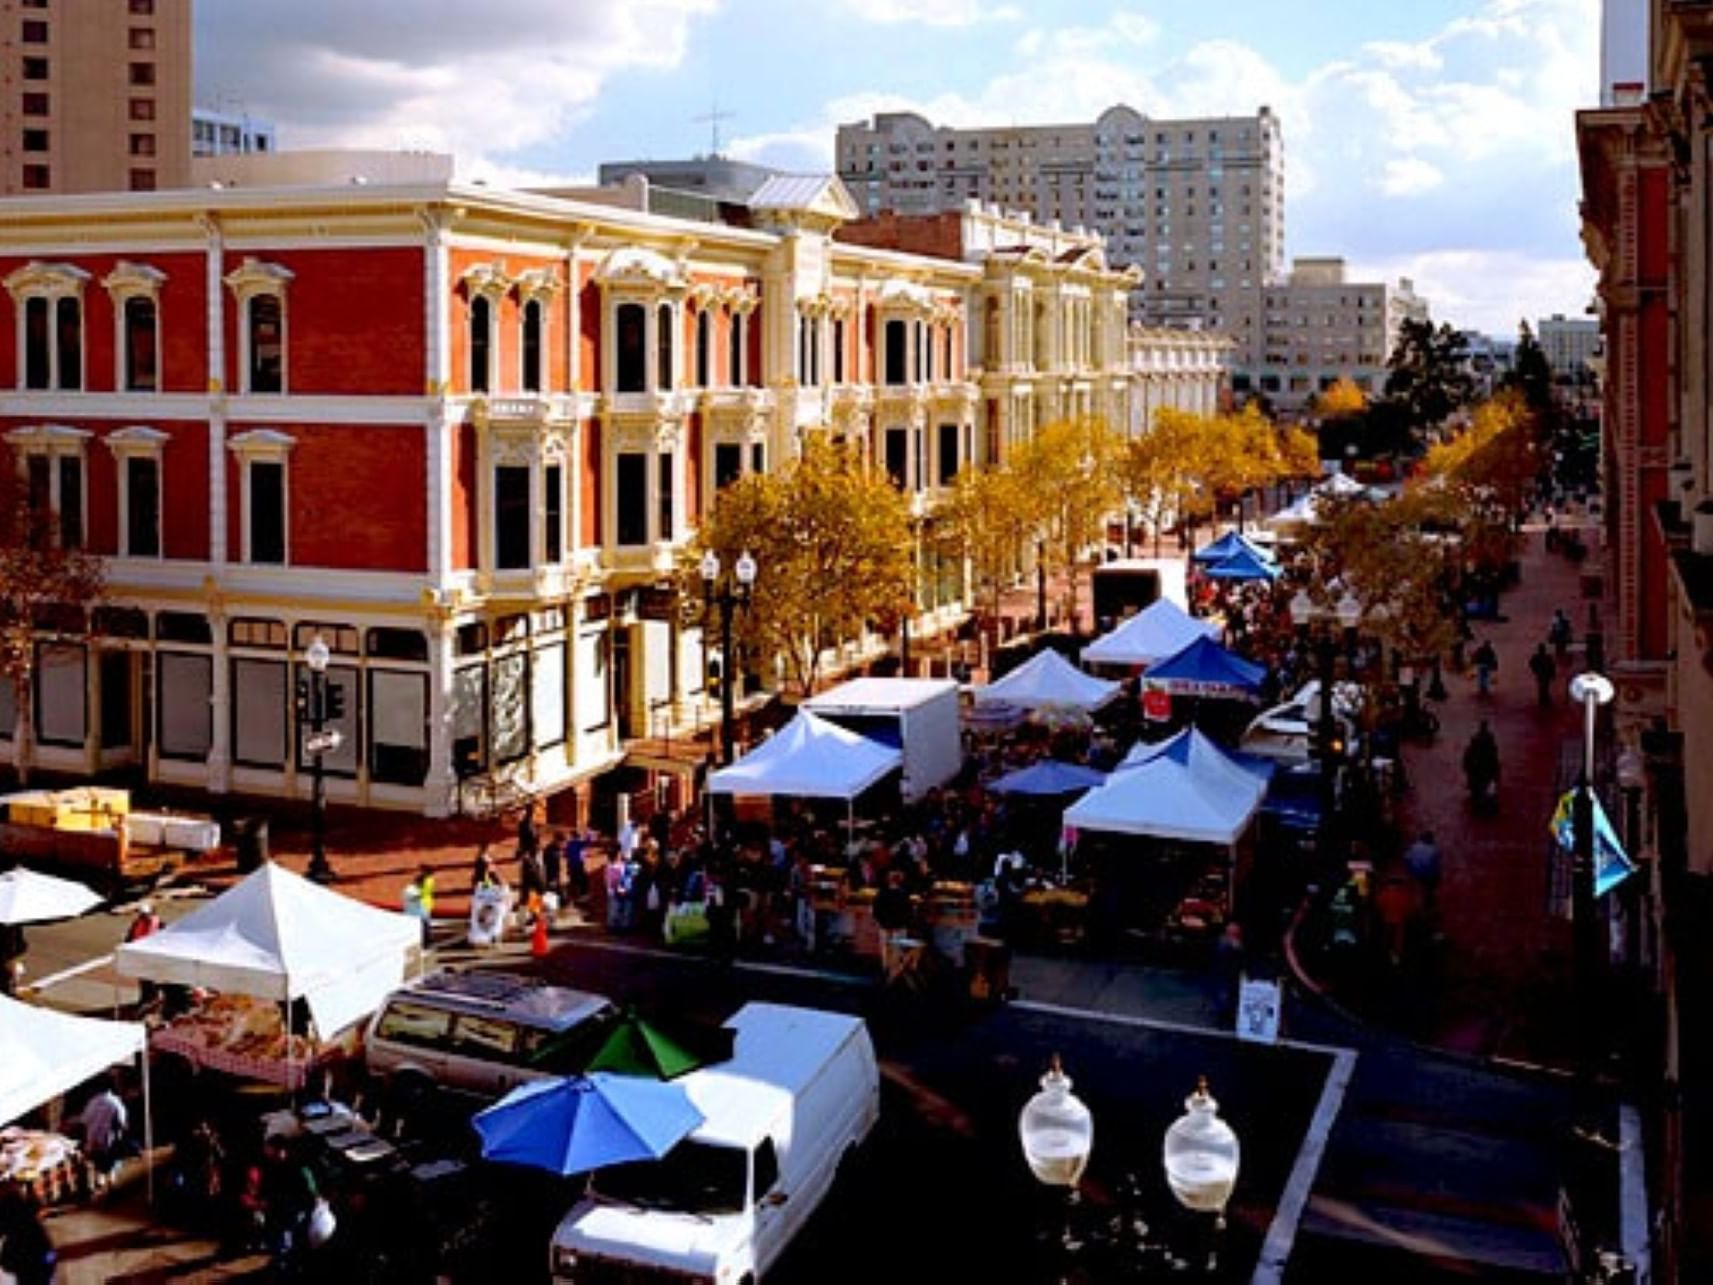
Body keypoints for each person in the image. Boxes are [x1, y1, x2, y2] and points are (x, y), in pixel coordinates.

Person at [78, 1074, 129, 1190]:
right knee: (111, 1166)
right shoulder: (115, 1102)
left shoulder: (92, 1103)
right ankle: (111, 1186)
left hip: (93, 1141)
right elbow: (122, 1123)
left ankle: (99, 1182)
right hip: (110, 1141)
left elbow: (84, 1121)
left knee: (98, 1164)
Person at [0, 1187, 57, 1285]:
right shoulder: (32, 1226)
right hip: (40, 1276)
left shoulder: (16, 1234)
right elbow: (49, 1253)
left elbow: (7, 1263)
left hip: (30, 1278)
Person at [1462, 720, 1501, 812]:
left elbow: (1468, 757)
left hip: (1481, 770)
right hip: (1483, 770)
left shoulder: (1478, 742)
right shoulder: (1488, 744)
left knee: (1485, 788)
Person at [1402, 830, 1442, 907]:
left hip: (1415, 872)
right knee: (1430, 885)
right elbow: (1436, 866)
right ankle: (1429, 897)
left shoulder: (1414, 846)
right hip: (1428, 875)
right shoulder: (1434, 850)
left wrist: (1409, 869)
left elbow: (1406, 857)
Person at [1529, 643, 1557, 708]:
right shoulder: (1547, 657)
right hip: (1544, 674)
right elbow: (1552, 666)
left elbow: (1531, 663)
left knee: (1542, 686)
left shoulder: (1537, 657)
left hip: (1541, 674)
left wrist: (1535, 670)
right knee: (1544, 686)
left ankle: (1543, 699)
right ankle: (1544, 698)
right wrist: (1553, 674)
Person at [542, 830, 565, 903]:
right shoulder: (550, 850)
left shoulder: (556, 848)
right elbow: (547, 864)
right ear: (556, 840)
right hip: (551, 876)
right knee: (553, 895)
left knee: (558, 895)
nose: (562, 845)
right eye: (561, 842)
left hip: (555, 875)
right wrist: (552, 879)